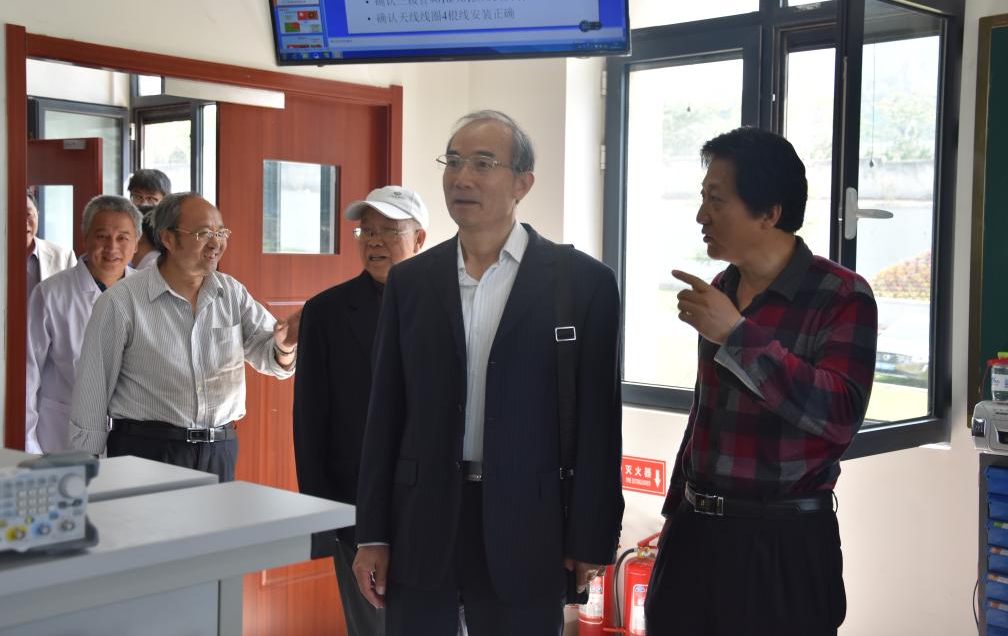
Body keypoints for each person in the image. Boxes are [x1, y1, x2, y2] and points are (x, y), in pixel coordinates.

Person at [352, 111, 624, 636]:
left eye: (482, 163)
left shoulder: (582, 283)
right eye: (453, 162)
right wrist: (373, 533)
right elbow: (384, 415)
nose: (462, 178)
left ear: (523, 183)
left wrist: (591, 536)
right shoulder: (411, 282)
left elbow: (599, 422)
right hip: (422, 521)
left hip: (530, 523)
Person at [644, 127, 879, 636]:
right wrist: (673, 515)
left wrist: (736, 334)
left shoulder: (841, 295)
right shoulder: (723, 287)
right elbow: (706, 413)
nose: (701, 215)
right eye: (702, 198)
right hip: (695, 533)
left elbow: (839, 416)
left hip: (784, 540)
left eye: (716, 200)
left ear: (769, 213)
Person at [68, 192, 301, 481]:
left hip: (218, 448)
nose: (216, 243)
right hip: (147, 450)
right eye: (204, 234)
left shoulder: (231, 293)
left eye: (221, 232)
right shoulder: (122, 301)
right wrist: (87, 465)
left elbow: (272, 359)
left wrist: (284, 346)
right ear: (168, 238)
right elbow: (93, 389)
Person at [294, 185, 429, 636]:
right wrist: (321, 519)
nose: (373, 241)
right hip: (356, 506)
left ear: (419, 239)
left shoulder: (448, 305)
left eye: (388, 231)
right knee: (372, 624)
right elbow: (309, 422)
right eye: (366, 231)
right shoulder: (325, 312)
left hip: (434, 503)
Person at [26, 195, 141, 454]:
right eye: (102, 236)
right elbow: (28, 374)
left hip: (131, 439)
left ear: (136, 243)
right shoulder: (51, 293)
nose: (112, 247)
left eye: (123, 238)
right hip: (61, 436)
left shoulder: (147, 292)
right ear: (85, 238)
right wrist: (29, 446)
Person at [26, 192, 76, 301]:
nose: (24, 223)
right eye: (16, 215)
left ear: (38, 214)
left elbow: (76, 301)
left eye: (28, 214)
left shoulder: (64, 257)